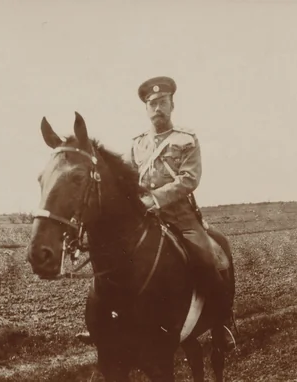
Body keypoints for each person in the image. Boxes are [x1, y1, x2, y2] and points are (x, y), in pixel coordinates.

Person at [76, 76, 235, 347]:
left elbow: (189, 179)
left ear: (172, 104)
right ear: (146, 109)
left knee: (211, 259)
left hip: (180, 216)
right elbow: (127, 179)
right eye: (152, 104)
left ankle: (221, 321)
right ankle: (102, 323)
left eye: (162, 102)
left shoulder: (186, 140)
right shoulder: (137, 144)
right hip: (143, 218)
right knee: (110, 263)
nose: (157, 108)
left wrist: (155, 199)